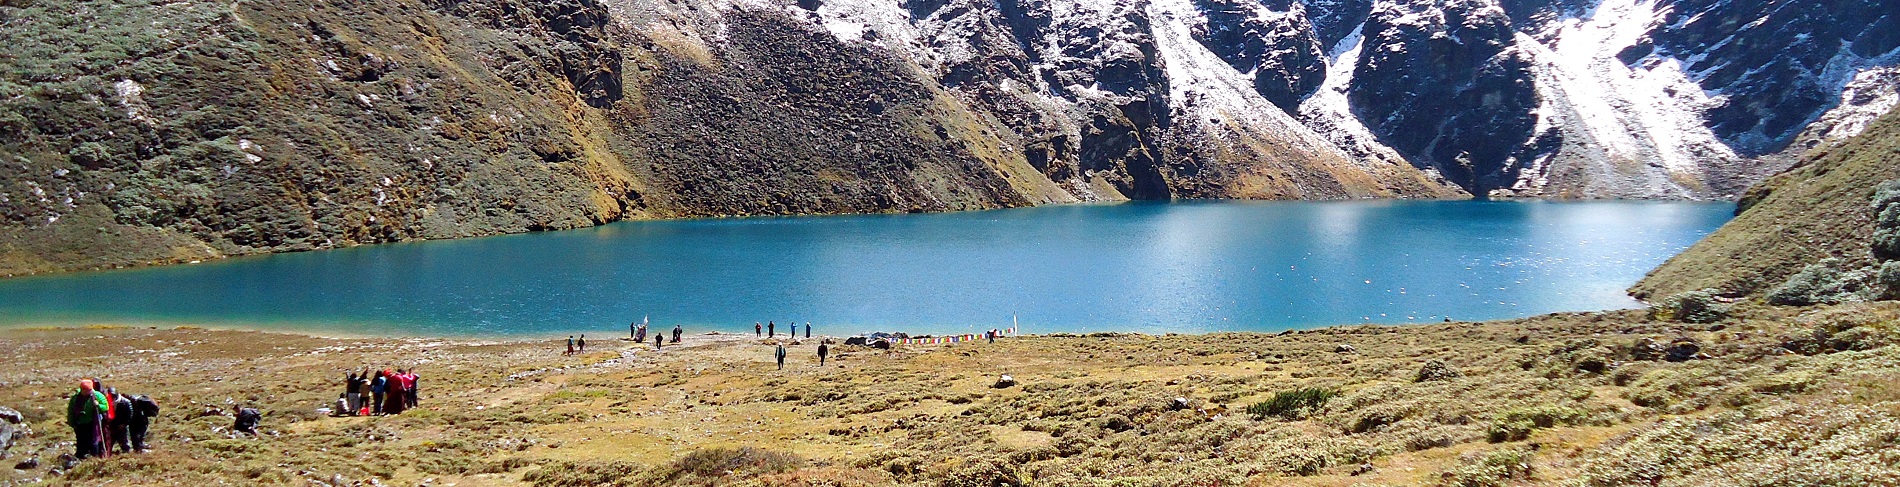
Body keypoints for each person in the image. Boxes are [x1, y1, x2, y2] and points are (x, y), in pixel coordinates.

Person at [67, 379, 105, 458]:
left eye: (89, 390)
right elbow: (71, 410)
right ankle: (81, 457)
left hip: (93, 423)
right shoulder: (75, 398)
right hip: (80, 424)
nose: (87, 391)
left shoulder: (97, 396)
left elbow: (105, 407)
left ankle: (95, 457)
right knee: (81, 441)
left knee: (93, 441)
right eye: (85, 390)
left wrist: (98, 405)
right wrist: (72, 423)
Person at [109, 388, 133, 453]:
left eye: (113, 396)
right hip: (111, 425)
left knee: (124, 441)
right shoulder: (107, 402)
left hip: (121, 426)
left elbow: (129, 414)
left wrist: (124, 424)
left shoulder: (125, 402)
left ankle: (127, 453)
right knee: (109, 442)